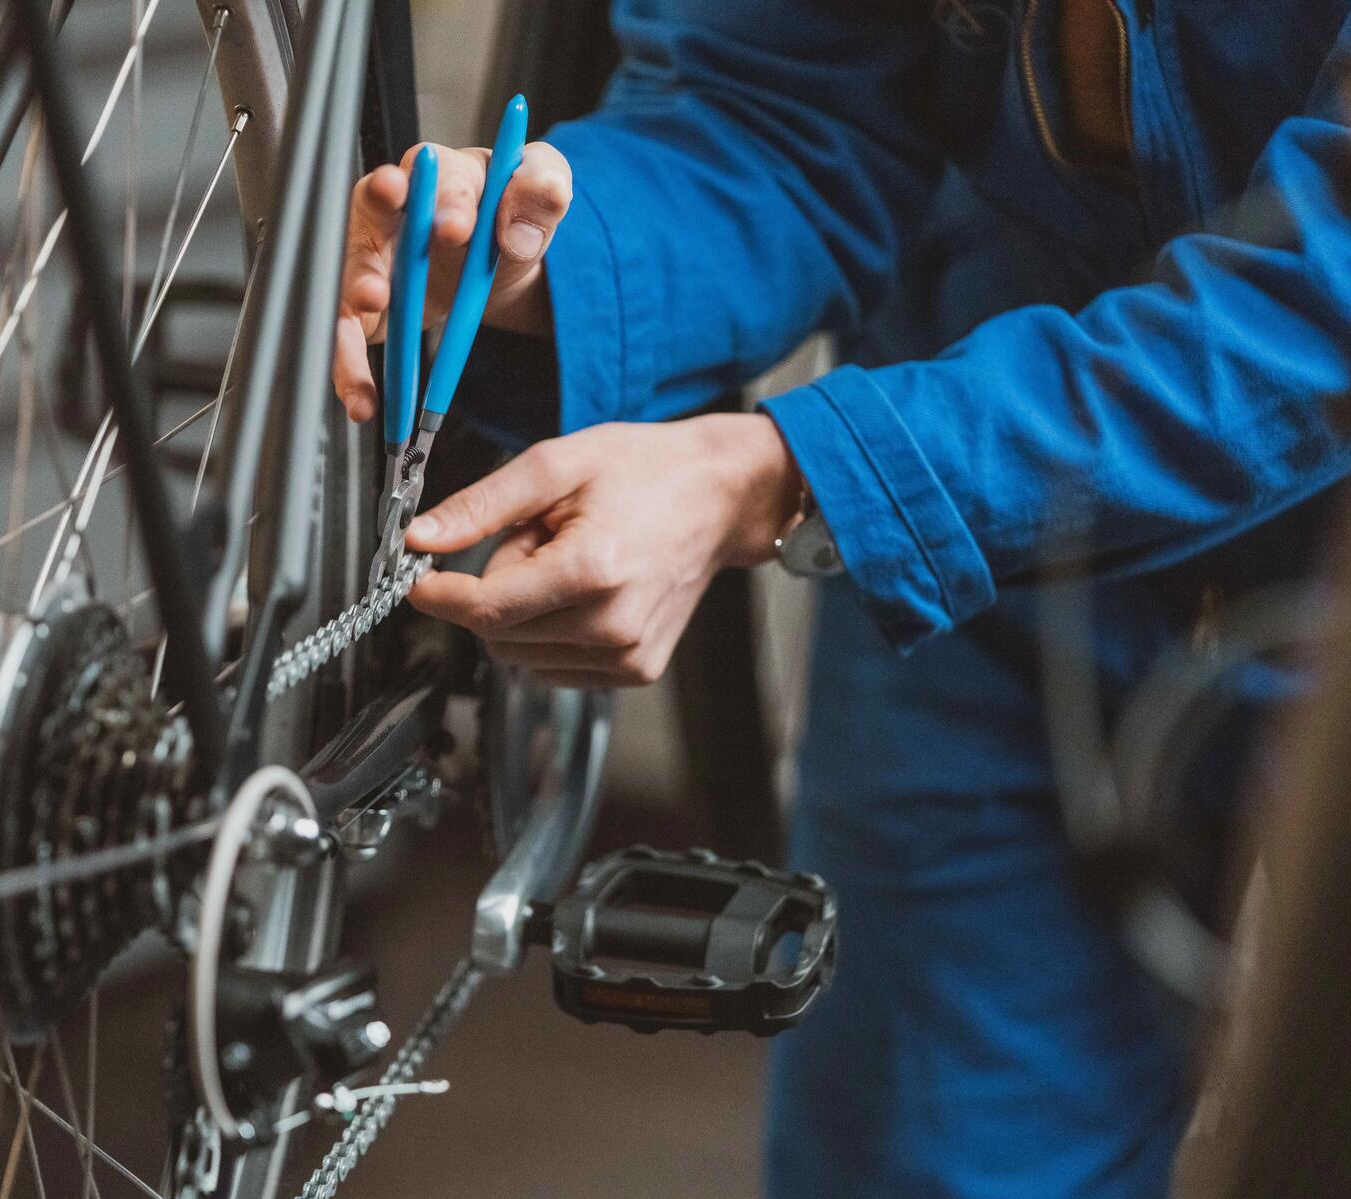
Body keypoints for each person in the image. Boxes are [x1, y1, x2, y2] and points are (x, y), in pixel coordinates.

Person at [331, 2, 1351, 1196]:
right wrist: (545, 264)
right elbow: (782, 103)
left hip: (1035, 473)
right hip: (998, 540)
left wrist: (799, 474)